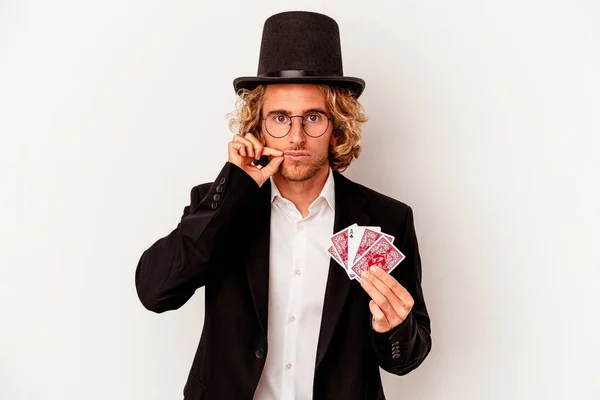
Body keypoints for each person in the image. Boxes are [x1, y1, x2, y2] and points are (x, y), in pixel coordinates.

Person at [135, 11, 432, 400]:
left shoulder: (389, 219)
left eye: (312, 117)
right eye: (279, 117)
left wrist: (392, 327)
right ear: (257, 126)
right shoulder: (218, 205)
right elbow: (155, 292)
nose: (296, 136)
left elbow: (405, 358)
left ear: (337, 125)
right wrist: (232, 187)